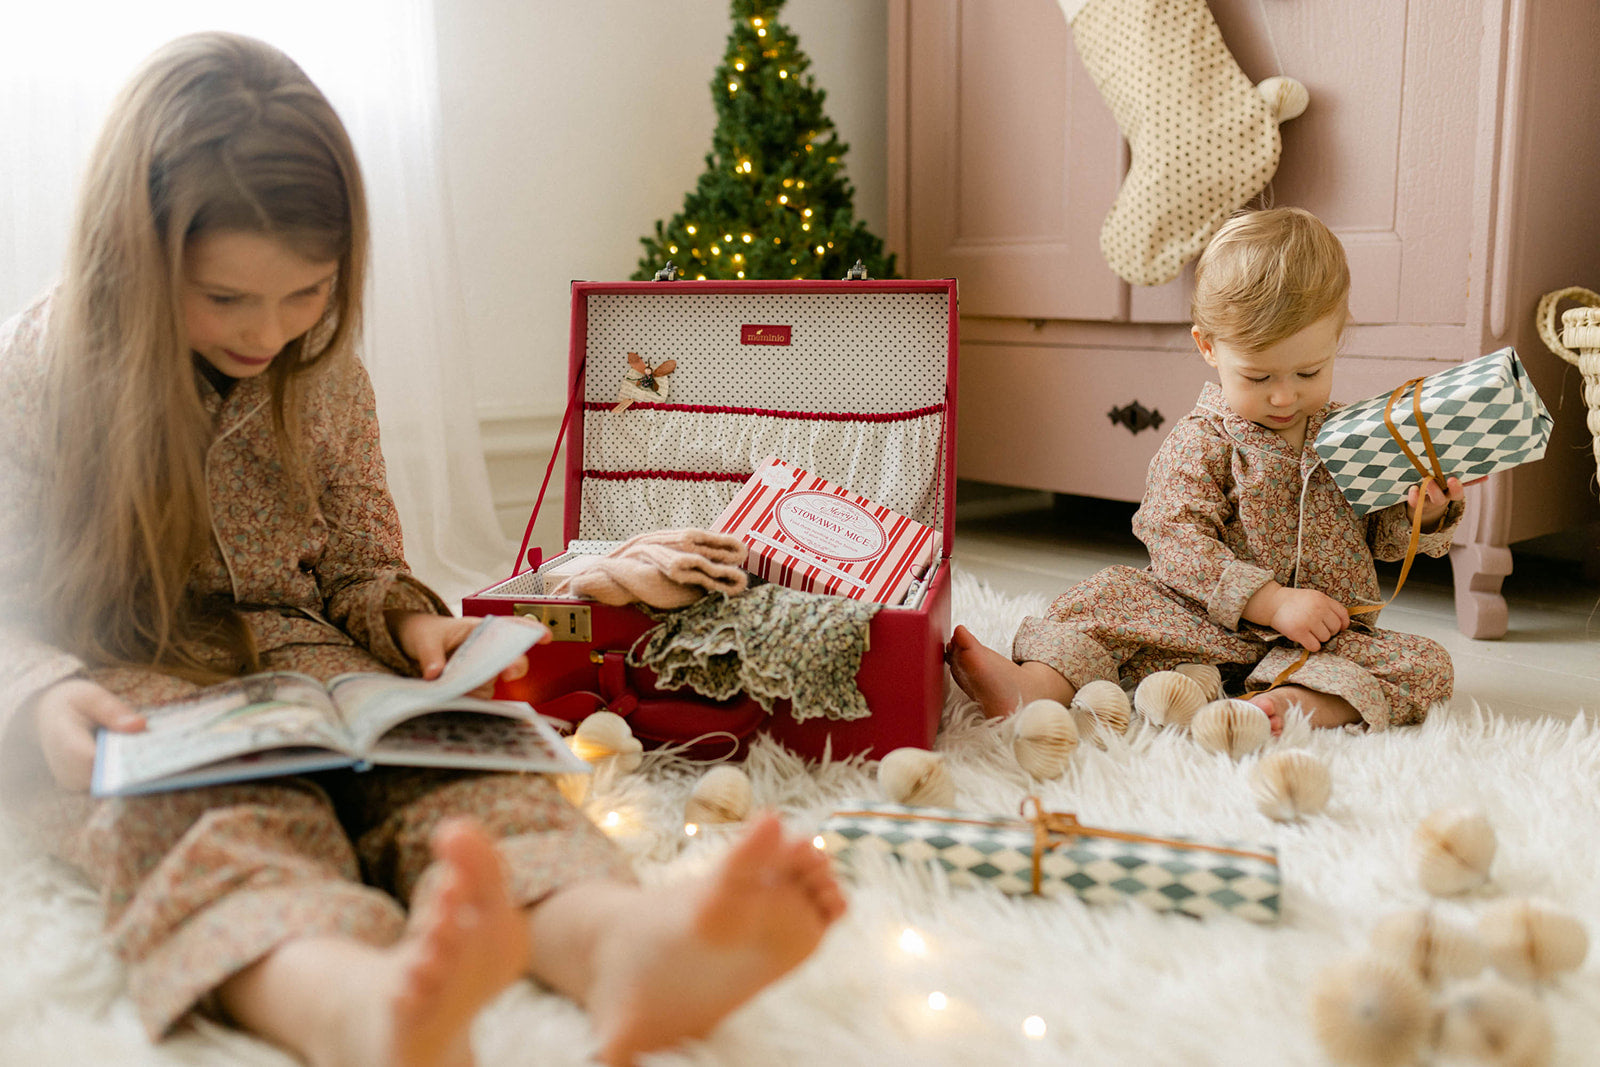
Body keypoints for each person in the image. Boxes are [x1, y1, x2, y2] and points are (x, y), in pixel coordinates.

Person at [0, 32, 844, 1067]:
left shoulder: (325, 371)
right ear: (134, 254)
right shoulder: (38, 368)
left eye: (305, 291)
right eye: (226, 298)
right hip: (130, 677)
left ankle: (615, 940)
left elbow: (359, 550)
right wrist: (38, 690)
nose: (269, 329)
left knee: (462, 763)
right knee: (214, 821)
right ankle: (349, 1002)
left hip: (310, 662)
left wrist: (408, 619)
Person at [948, 207, 1468, 734]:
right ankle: (1033, 686)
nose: (1285, 395)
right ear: (1208, 347)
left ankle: (1291, 704)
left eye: (1309, 372)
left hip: (1318, 640)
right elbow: (1175, 540)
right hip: (1201, 621)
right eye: (1258, 375)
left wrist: (1421, 514)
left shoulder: (1352, 436)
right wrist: (1268, 601)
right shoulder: (1204, 440)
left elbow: (1383, 538)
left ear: (1337, 341)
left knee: (1427, 665)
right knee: (1103, 599)